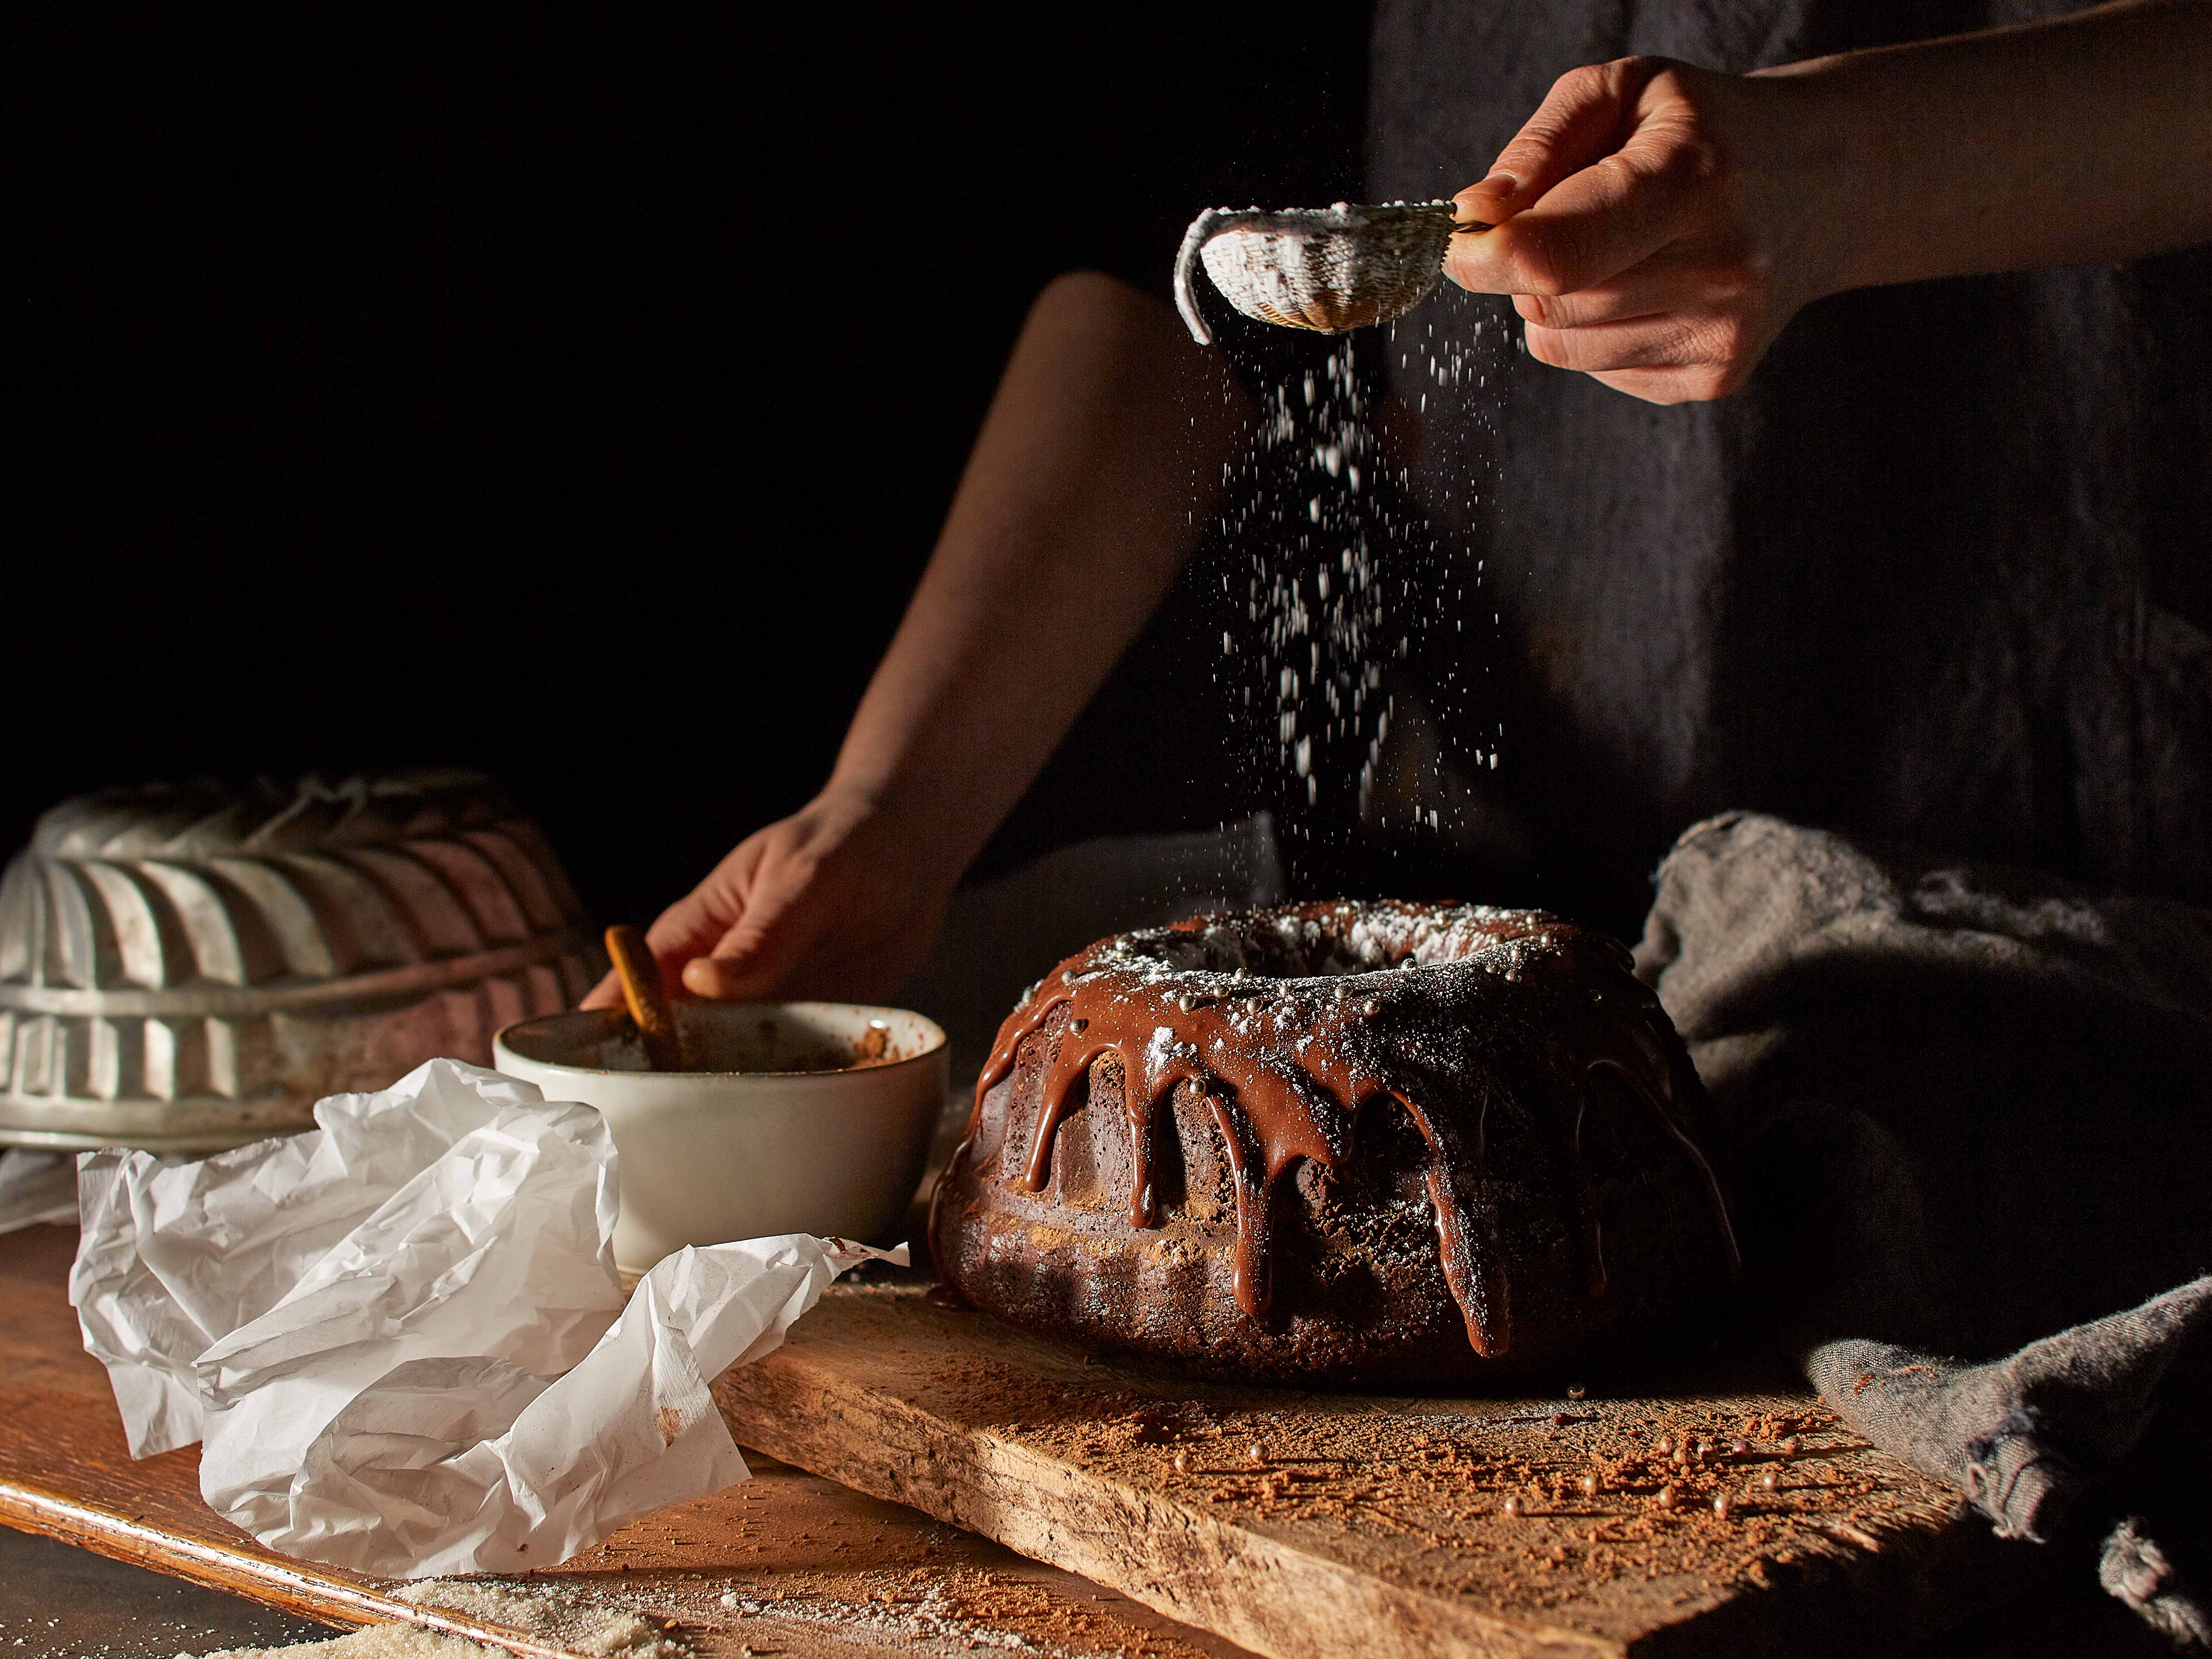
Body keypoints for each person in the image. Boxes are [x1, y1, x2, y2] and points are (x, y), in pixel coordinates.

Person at [587, 0, 2211, 1012]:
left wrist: (1852, 168)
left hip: (2098, 866)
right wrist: (892, 813)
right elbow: (1181, 292)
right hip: (1573, 888)